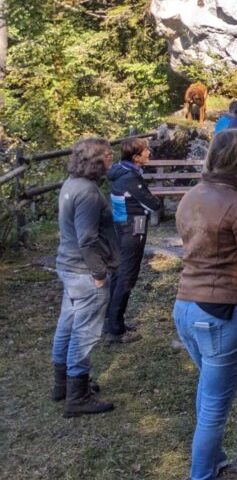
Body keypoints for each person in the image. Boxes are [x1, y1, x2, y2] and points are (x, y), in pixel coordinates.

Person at [173, 129, 237, 480]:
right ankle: (202, 477)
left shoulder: (191, 195)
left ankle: (214, 461)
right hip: (219, 311)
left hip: (185, 306)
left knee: (208, 394)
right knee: (215, 407)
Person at [51, 138, 118, 417]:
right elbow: (88, 239)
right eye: (106, 154)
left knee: (67, 324)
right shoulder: (89, 193)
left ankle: (62, 386)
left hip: (69, 267)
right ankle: (77, 396)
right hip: (84, 271)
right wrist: (99, 273)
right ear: (94, 161)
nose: (111, 157)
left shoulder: (70, 183)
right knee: (84, 331)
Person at [104, 137, 163, 344]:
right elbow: (153, 203)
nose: (149, 153)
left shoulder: (120, 170)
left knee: (119, 275)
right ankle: (116, 330)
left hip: (121, 226)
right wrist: (153, 202)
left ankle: (111, 320)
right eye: (146, 151)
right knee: (126, 277)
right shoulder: (130, 177)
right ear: (136, 157)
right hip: (132, 230)